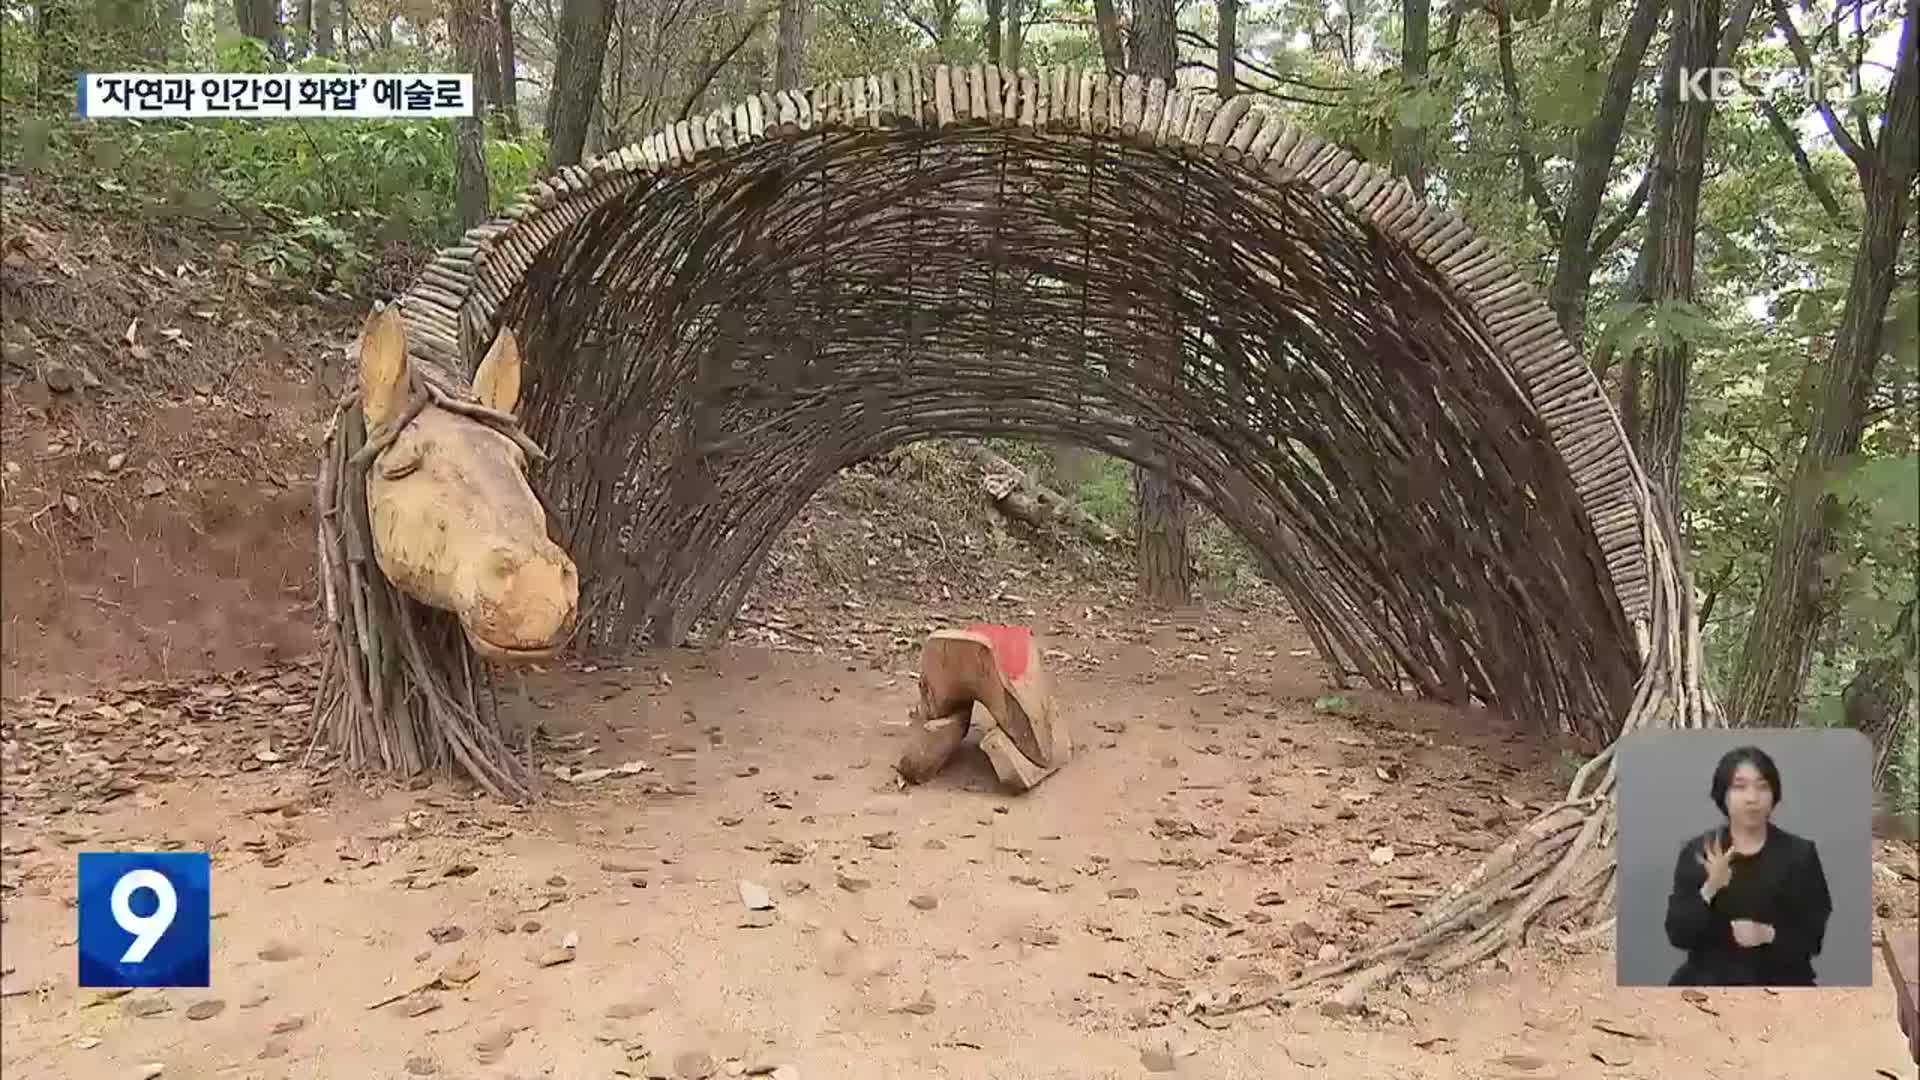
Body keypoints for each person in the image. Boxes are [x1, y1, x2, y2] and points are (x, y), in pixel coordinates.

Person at [1663, 745, 1833, 986]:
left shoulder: (1800, 855)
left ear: (1774, 794)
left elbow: (1813, 938)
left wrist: (1767, 934)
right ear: (1723, 794)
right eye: (1739, 786)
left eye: (1762, 786)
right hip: (1709, 983)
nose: (1752, 798)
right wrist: (1710, 887)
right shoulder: (1699, 852)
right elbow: (1678, 935)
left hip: (1782, 983)